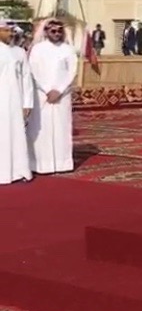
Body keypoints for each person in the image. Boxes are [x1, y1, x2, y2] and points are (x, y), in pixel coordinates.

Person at [27, 18, 78, 175]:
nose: (56, 34)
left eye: (59, 31)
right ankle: (42, 164)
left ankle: (62, 163)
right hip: (42, 95)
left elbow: (72, 71)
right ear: (46, 32)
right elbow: (34, 71)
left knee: (62, 127)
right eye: (53, 31)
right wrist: (48, 90)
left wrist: (59, 90)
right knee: (42, 129)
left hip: (62, 95)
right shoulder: (38, 49)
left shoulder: (68, 49)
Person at [0, 19, 33, 185]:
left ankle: (19, 171)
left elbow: (27, 78)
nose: (10, 34)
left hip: (16, 101)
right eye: (6, 30)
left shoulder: (20, 52)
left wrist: (27, 102)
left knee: (16, 136)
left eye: (12, 31)